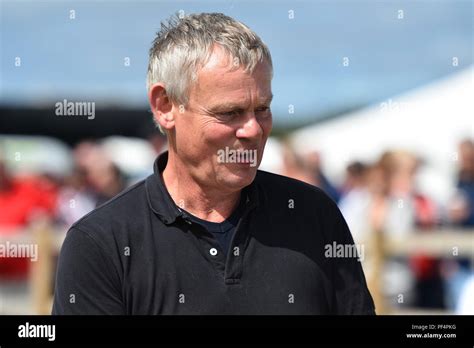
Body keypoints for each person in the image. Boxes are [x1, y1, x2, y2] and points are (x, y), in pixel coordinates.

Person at [52, 13, 374, 315]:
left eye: (262, 109)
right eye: (230, 113)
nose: (253, 130)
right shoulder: (101, 244)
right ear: (165, 106)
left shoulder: (313, 215)